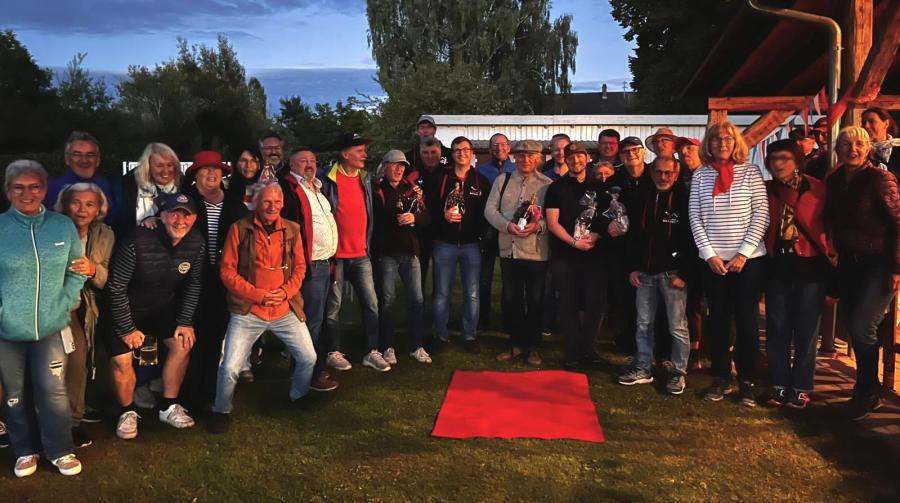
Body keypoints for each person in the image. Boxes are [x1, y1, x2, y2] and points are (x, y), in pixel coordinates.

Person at [0, 160, 87, 477]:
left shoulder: (62, 226)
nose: (27, 193)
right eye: (19, 187)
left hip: (52, 326)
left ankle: (60, 450)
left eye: (34, 186)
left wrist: (63, 304)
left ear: (45, 189)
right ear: (8, 190)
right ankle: (25, 450)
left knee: (54, 391)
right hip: (7, 330)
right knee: (14, 394)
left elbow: (77, 270)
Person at [211, 183, 318, 433]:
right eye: (267, 202)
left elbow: (300, 268)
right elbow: (227, 271)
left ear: (283, 204)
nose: (272, 207)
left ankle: (299, 395)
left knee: (308, 357)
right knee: (230, 367)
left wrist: (285, 292)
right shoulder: (239, 228)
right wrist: (257, 295)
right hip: (249, 310)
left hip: (284, 308)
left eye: (277, 202)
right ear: (256, 203)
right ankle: (221, 410)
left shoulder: (292, 229)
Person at [106, 193, 205, 439]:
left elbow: (193, 283)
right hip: (126, 307)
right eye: (174, 214)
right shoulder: (137, 240)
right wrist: (127, 329)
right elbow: (116, 287)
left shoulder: (196, 241)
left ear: (194, 218)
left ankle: (168, 406)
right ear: (162, 216)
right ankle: (127, 411)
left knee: (183, 343)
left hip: (160, 307)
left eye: (187, 215)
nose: (180, 221)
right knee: (122, 360)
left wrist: (185, 321)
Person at [689, 121, 769, 406]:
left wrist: (743, 253)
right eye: (716, 139)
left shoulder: (751, 172)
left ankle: (747, 380)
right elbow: (695, 216)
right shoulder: (700, 175)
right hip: (713, 261)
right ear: (708, 144)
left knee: (747, 320)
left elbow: (761, 214)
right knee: (718, 319)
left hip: (748, 261)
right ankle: (721, 376)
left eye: (727, 139)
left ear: (736, 143)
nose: (722, 144)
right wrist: (709, 254)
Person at [825, 126, 900, 420]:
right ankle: (867, 388)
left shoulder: (880, 179)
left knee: (862, 326)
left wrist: (897, 266)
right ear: (837, 150)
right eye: (845, 144)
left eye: (858, 143)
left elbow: (898, 223)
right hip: (850, 262)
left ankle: (868, 391)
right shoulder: (836, 181)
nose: (852, 149)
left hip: (879, 263)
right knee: (856, 327)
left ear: (868, 148)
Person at [761, 140, 832, 409]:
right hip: (777, 265)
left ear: (798, 161)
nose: (778, 163)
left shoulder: (818, 188)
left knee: (806, 329)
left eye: (784, 158)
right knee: (777, 327)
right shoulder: (766, 189)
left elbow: (830, 225)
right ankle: (779, 384)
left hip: (810, 265)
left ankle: (801, 386)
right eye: (773, 158)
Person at [619, 156, 695, 395]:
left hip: (673, 274)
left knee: (677, 326)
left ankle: (678, 372)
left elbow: (694, 239)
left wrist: (684, 273)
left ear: (676, 174)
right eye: (659, 172)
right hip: (645, 273)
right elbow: (634, 236)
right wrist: (633, 267)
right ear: (651, 173)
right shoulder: (643, 196)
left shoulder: (686, 199)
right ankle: (643, 367)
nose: (663, 177)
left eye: (668, 173)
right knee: (643, 324)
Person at [546, 143, 623, 369]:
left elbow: (607, 218)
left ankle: (589, 350)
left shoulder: (599, 186)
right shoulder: (556, 187)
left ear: (587, 158)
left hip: (593, 253)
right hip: (565, 253)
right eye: (571, 157)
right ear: (565, 159)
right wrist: (573, 242)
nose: (575, 161)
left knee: (595, 303)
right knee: (567, 303)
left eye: (579, 156)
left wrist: (596, 236)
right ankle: (571, 353)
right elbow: (552, 222)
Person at [182, 151, 247, 405]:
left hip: (224, 281)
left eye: (216, 169)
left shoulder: (234, 204)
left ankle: (210, 390)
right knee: (190, 337)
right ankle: (187, 393)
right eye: (205, 169)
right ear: (196, 174)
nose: (211, 174)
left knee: (216, 336)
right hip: (190, 280)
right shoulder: (186, 201)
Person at [53, 183, 115, 449]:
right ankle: (37, 420)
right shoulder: (50, 227)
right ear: (65, 204)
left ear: (99, 208)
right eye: (76, 202)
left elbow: (105, 277)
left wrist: (92, 270)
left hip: (77, 308)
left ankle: (72, 422)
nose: (82, 209)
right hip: (44, 306)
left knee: (77, 362)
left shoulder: (104, 234)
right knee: (42, 365)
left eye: (90, 204)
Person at [485, 140, 552, 366]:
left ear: (538, 159)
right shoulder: (502, 180)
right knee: (512, 300)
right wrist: (506, 225)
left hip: (536, 253)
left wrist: (538, 225)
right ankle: (514, 344)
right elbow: (489, 210)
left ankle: (533, 347)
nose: (525, 160)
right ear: (514, 158)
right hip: (510, 250)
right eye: (521, 156)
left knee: (535, 301)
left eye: (531, 156)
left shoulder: (547, 185)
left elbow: (553, 217)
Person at [319, 133, 383, 371]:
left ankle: (372, 351)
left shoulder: (366, 179)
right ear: (345, 154)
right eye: (359, 151)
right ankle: (333, 351)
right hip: (336, 256)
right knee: (333, 307)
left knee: (371, 303)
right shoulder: (326, 179)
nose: (365, 155)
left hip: (361, 254)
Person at [279, 148, 340, 391]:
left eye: (313, 160)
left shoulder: (317, 187)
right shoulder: (288, 189)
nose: (310, 164)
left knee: (317, 320)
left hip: (325, 263)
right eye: (303, 160)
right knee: (309, 322)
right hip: (307, 265)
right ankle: (306, 375)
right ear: (291, 164)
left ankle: (311, 369)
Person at [372, 151, 433, 364]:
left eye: (402, 166)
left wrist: (413, 217)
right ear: (385, 166)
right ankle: (387, 346)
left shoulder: (411, 189)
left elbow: (427, 217)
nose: (399, 169)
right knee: (387, 300)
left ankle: (417, 345)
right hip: (386, 252)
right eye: (395, 165)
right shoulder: (376, 189)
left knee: (417, 299)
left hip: (410, 251)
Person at [432, 136, 491, 352]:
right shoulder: (441, 178)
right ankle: (440, 335)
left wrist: (480, 237)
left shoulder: (481, 181)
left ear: (472, 152)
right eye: (457, 150)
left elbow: (487, 213)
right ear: (452, 153)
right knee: (442, 293)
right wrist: (443, 216)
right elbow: (428, 207)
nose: (461, 153)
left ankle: (469, 335)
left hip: (471, 245)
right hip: (444, 243)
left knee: (472, 293)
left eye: (465, 149)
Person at [605, 136, 652, 354]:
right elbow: (600, 211)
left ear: (643, 152)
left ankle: (653, 343)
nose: (631, 154)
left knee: (650, 298)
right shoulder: (613, 181)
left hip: (649, 246)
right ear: (621, 157)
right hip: (621, 249)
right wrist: (607, 225)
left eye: (635, 150)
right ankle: (626, 342)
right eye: (626, 152)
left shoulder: (655, 176)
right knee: (622, 298)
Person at [477, 133, 516, 329]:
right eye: (495, 145)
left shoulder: (517, 169)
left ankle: (507, 320)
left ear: (508, 147)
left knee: (509, 279)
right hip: (487, 230)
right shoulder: (481, 171)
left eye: (502, 144)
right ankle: (482, 318)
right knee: (484, 278)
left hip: (510, 230)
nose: (499, 148)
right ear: (489, 149)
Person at [675, 136, 705, 367]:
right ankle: (694, 351)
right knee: (691, 303)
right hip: (687, 246)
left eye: (689, 148)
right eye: (681, 150)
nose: (685, 153)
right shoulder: (679, 179)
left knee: (718, 305)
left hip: (713, 247)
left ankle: (725, 353)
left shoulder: (711, 175)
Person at [406, 136, 448, 294]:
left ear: (440, 152)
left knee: (442, 275)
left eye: (433, 152)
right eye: (426, 152)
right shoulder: (412, 176)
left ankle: (440, 306)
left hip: (442, 232)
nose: (430, 156)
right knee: (418, 274)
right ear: (420, 153)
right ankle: (418, 305)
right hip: (419, 233)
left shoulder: (448, 174)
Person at [45, 131, 117, 215]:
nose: (84, 160)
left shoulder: (104, 184)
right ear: (67, 158)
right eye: (77, 154)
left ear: (98, 160)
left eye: (90, 155)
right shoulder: (53, 188)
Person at [115, 142, 181, 234]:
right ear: (148, 166)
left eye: (169, 165)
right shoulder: (127, 186)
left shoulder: (184, 186)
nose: (166, 171)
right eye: (159, 166)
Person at [862, 106, 900, 178]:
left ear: (886, 124)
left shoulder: (897, 146)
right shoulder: (861, 151)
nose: (866, 126)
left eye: (871, 121)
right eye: (864, 122)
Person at [225, 146, 263, 210]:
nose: (248, 165)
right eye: (243, 160)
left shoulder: (269, 188)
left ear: (259, 165)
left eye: (253, 161)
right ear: (236, 163)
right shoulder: (226, 190)